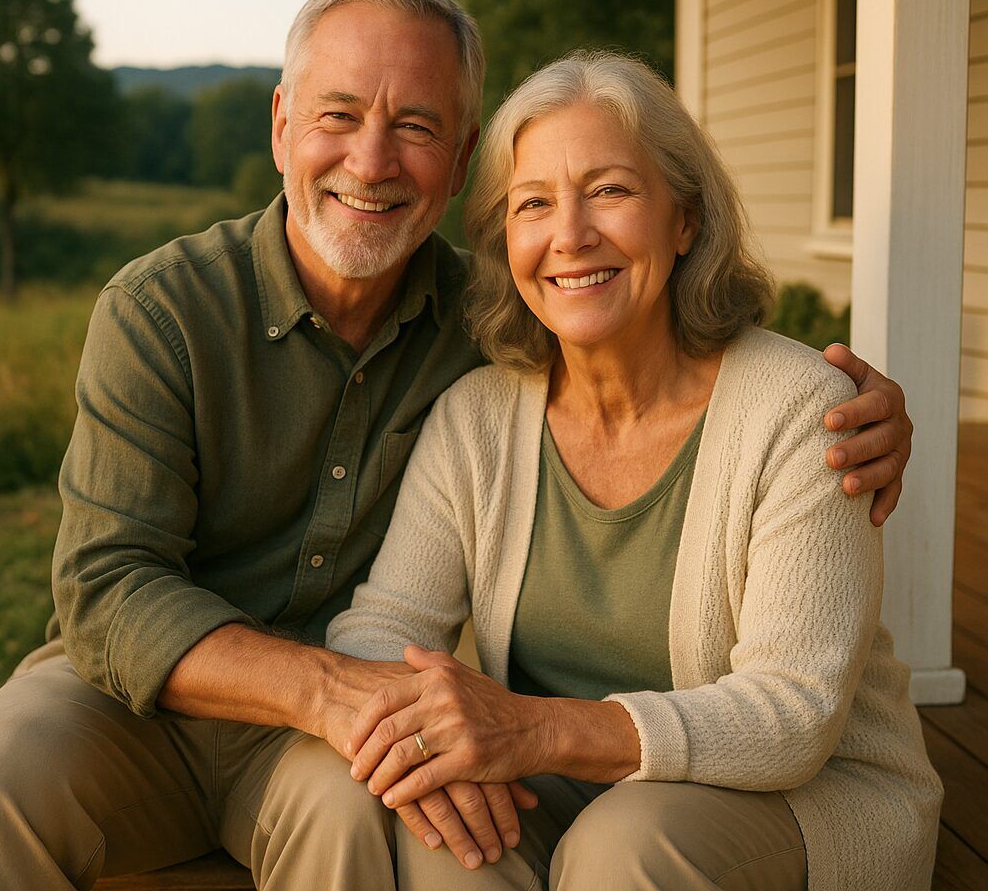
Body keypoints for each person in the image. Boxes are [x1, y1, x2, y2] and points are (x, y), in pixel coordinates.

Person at [0, 0, 914, 890]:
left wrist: (864, 414)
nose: (372, 162)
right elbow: (106, 585)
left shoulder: (500, 329)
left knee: (375, 816)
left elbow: (697, 380)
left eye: (416, 127)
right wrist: (345, 697)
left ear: (459, 167)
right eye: (338, 115)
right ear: (282, 125)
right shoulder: (169, 311)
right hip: (167, 698)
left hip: (364, 733)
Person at [325, 52, 942, 891]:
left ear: (684, 221)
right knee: (448, 831)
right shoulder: (476, 418)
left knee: (628, 842)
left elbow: (793, 715)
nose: (569, 235)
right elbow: (379, 633)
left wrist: (533, 731)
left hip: (795, 797)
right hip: (555, 789)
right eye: (532, 203)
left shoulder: (804, 412)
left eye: (610, 190)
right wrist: (437, 737)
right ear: (506, 239)